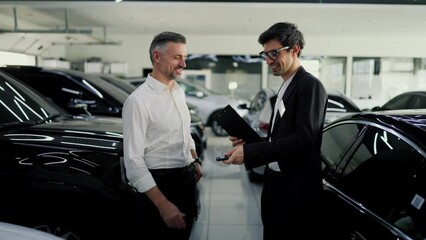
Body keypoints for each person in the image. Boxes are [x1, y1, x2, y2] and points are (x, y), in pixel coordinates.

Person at [223, 22, 328, 239]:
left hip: (296, 193)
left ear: (295, 49)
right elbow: (280, 137)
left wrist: (251, 154)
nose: (269, 60)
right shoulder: (285, 85)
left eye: (274, 53)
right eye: (265, 54)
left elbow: (304, 139)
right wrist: (250, 144)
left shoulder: (309, 85)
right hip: (276, 187)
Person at [122, 31, 203, 240]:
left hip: (185, 181)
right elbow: (133, 162)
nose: (184, 64)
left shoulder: (177, 91)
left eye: (185, 57)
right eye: (177, 57)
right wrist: (163, 205)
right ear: (157, 57)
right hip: (159, 188)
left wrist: (194, 159)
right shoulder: (138, 101)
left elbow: (184, 131)